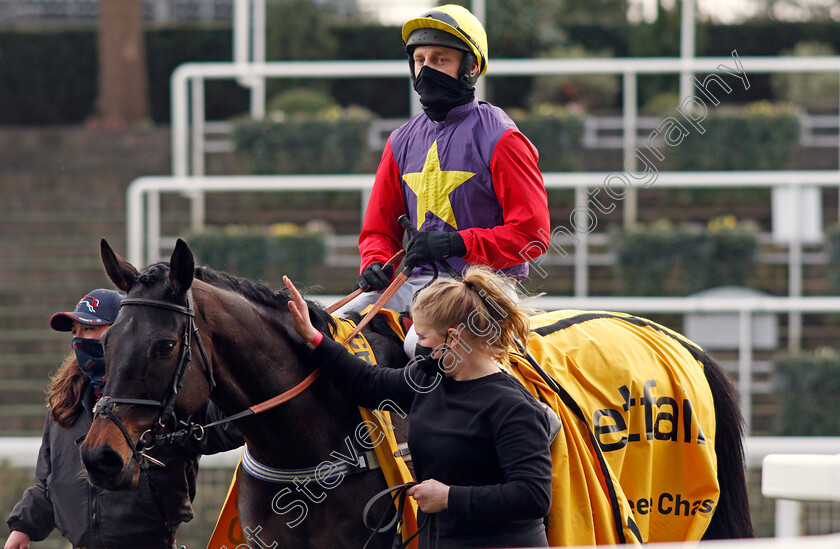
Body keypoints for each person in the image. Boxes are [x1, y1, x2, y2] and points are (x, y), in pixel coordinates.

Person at [285, 267, 553, 548]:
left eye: (422, 338)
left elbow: (533, 496)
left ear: (454, 338)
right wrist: (313, 337)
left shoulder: (513, 407)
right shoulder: (428, 378)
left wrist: (450, 497)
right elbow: (367, 382)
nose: (418, 346)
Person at [337, 4, 550, 318]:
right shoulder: (399, 141)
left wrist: (456, 244)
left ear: (471, 67)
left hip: (486, 287)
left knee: (424, 344)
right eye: (419, 60)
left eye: (440, 59)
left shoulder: (503, 138)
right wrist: (374, 263)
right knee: (337, 327)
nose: (426, 70)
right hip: (416, 282)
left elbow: (533, 236)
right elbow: (378, 231)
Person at [5, 289, 243, 549]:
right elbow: (47, 483)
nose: (79, 341)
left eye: (89, 329)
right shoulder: (65, 403)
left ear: (123, 332)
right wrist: (23, 527)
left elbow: (228, 427)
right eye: (76, 331)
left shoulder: (163, 399)